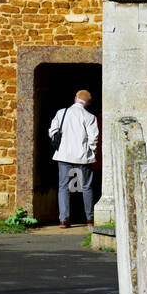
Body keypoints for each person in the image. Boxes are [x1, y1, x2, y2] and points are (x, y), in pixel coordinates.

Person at [48, 89, 99, 228]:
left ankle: (64, 220)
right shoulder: (90, 117)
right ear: (87, 104)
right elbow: (93, 138)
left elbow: (52, 130)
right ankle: (89, 219)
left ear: (75, 98)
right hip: (83, 157)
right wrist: (90, 150)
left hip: (64, 155)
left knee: (63, 187)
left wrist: (58, 142)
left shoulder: (61, 113)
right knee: (86, 187)